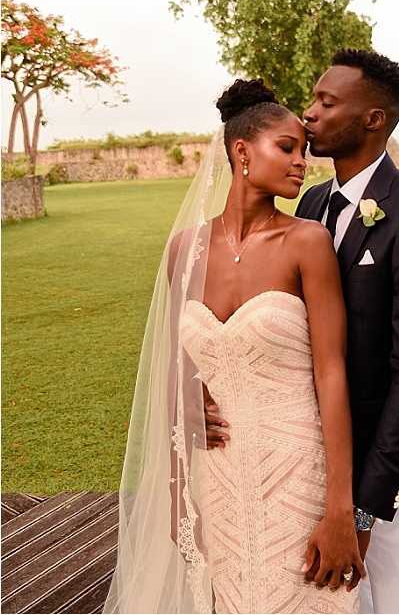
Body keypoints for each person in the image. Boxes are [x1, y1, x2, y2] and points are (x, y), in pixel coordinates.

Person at [103, 78, 364, 615]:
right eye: (287, 148)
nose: (301, 164)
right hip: (215, 475)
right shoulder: (185, 249)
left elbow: (332, 374)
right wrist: (178, 488)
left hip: (297, 472)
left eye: (304, 153)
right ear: (241, 151)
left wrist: (341, 507)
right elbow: (177, 370)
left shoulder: (307, 242)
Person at [296, 48, 399, 615]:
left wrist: (363, 509)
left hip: (389, 480)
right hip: (310, 466)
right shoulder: (311, 202)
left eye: (326, 101)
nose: (308, 113)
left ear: (373, 120)